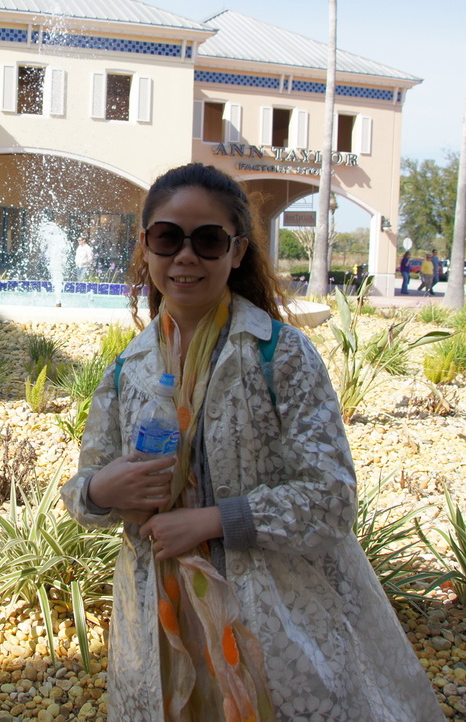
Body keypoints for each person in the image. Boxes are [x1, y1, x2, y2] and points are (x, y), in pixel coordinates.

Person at [62, 164, 440, 721]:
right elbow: (81, 490)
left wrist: (213, 521)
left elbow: (332, 498)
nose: (185, 256)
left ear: (237, 251)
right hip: (162, 619)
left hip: (272, 617)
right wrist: (101, 490)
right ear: (145, 245)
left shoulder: (278, 354)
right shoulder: (128, 369)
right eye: (167, 238)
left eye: (208, 240)